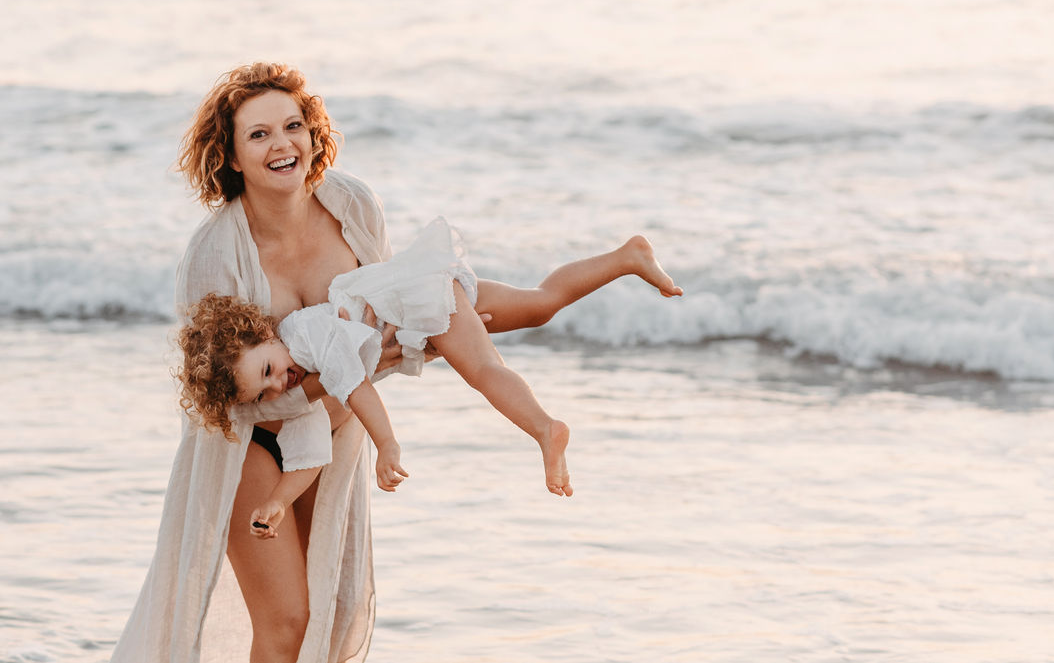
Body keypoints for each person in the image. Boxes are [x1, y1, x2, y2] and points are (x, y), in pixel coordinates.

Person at [110, 62, 680, 663]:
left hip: (332, 440)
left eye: (293, 125)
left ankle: (621, 265)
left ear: (312, 132)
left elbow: (379, 319)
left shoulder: (352, 203)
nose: (282, 144)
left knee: (330, 619)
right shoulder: (213, 253)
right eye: (258, 134)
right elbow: (219, 389)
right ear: (229, 154)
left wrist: (426, 342)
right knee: (286, 625)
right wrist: (339, 380)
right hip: (251, 445)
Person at [176, 213, 682, 534]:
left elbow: (357, 390)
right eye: (263, 391)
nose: (277, 384)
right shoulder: (298, 361)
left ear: (264, 332)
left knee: (484, 370)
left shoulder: (305, 337)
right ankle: (627, 257)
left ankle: (545, 429)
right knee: (539, 305)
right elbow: (308, 450)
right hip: (424, 286)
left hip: (420, 302)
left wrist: (387, 445)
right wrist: (279, 502)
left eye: (267, 369)